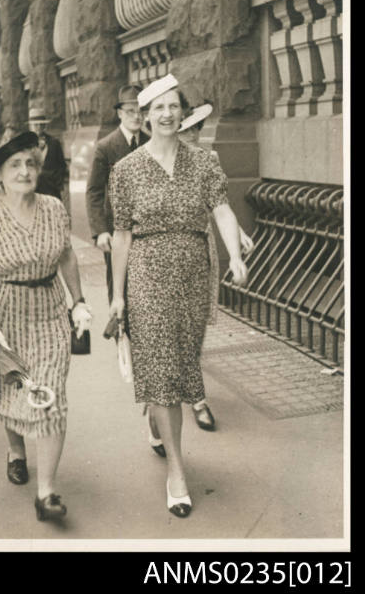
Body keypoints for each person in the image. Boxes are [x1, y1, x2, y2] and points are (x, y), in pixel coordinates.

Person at [108, 74, 248, 518]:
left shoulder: (204, 162)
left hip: (192, 275)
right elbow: (122, 235)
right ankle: (178, 471)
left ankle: (156, 415)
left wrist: (235, 258)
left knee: (180, 364)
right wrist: (117, 296)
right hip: (147, 274)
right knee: (163, 368)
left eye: (174, 106)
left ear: (180, 112)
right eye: (158, 108)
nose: (167, 114)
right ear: (145, 116)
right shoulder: (126, 170)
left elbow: (222, 210)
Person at [0, 131, 92, 522]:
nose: (25, 171)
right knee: (13, 390)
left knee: (51, 397)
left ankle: (47, 493)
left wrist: (80, 302)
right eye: (15, 165)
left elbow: (67, 255)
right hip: (5, 317)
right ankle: (17, 450)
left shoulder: (54, 208)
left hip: (49, 313)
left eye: (31, 164)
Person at [176, 101, 255, 432]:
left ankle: (195, 397)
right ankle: (177, 391)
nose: (195, 133)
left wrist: (236, 241)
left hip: (201, 248)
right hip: (162, 253)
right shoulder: (151, 159)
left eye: (198, 127)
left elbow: (219, 205)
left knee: (195, 324)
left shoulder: (209, 160)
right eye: (189, 128)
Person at [85, 84, 149, 305]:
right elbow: (93, 191)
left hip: (146, 230)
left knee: (145, 287)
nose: (136, 116)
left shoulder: (151, 143)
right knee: (118, 287)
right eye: (130, 111)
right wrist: (100, 231)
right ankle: (121, 334)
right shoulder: (106, 146)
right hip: (115, 231)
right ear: (120, 113)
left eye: (141, 110)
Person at [28, 108, 70, 215]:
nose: (38, 127)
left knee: (52, 220)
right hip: (32, 190)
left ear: (44, 126)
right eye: (35, 125)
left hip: (51, 190)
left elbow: (61, 166)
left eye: (40, 125)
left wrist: (55, 181)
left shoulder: (54, 143)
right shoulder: (25, 145)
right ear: (30, 126)